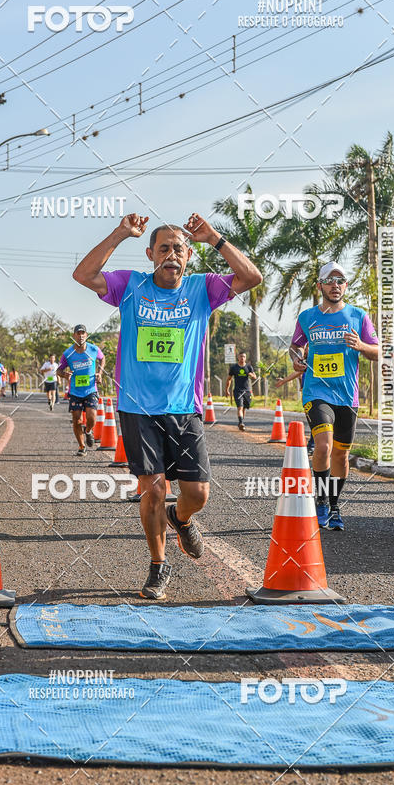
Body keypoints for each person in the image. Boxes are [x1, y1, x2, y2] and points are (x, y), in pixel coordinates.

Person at [73, 212, 262, 600]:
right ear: (150, 254)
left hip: (183, 408)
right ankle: (158, 566)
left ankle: (182, 518)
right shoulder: (130, 285)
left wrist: (215, 239)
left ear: (188, 255)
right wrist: (119, 233)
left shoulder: (202, 288)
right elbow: (83, 274)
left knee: (197, 494)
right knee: (154, 490)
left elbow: (251, 278)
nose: (171, 255)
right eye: (163, 249)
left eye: (178, 248)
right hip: (137, 408)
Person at [290, 261, 379, 531]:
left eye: (340, 280)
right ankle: (320, 500)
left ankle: (334, 504)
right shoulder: (307, 317)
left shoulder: (358, 316)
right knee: (324, 447)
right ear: (320, 286)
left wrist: (361, 345)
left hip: (347, 397)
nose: (335, 285)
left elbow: (378, 351)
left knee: (340, 456)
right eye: (330, 280)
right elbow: (295, 346)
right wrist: (296, 359)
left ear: (346, 286)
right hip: (316, 391)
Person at [57, 326, 105, 453]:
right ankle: (82, 446)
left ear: (86, 335)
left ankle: (88, 431)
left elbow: (102, 358)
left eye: (83, 333)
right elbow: (59, 370)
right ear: (74, 336)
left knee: (92, 416)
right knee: (77, 420)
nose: (81, 336)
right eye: (78, 334)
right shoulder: (68, 354)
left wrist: (99, 372)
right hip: (75, 391)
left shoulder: (93, 349)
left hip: (91, 389)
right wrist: (65, 374)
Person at [275, 364, 315, 455]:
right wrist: (284, 380)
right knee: (315, 420)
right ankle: (312, 445)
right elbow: (300, 371)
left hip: (323, 393)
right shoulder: (308, 359)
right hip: (309, 394)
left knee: (318, 421)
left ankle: (313, 445)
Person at [226, 351, 257, 429]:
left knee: (244, 408)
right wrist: (227, 390)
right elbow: (229, 379)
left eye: (243, 357)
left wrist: (251, 375)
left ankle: (241, 421)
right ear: (238, 357)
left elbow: (255, 377)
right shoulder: (234, 368)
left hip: (246, 391)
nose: (242, 358)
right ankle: (241, 422)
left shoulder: (249, 367)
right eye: (241, 356)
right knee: (240, 407)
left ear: (245, 358)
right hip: (237, 391)